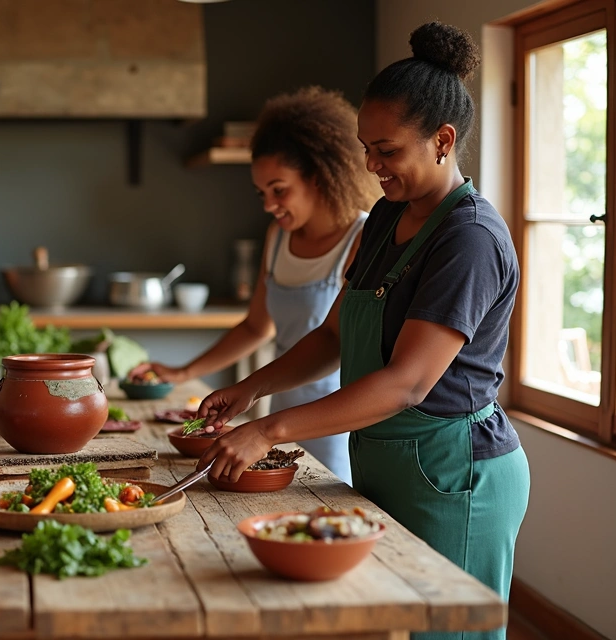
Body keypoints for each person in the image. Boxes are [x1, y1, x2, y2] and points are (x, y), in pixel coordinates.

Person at [197, 23, 529, 637]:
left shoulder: (469, 239)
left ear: (443, 141)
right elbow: (332, 337)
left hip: (452, 476)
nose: (371, 165)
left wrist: (268, 429)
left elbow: (406, 383)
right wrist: (250, 389)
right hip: (383, 460)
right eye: (365, 148)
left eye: (387, 150)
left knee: (446, 631)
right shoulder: (384, 217)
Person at [134, 86, 379, 484]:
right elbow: (255, 327)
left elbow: (335, 342)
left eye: (279, 190)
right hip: (277, 415)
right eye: (262, 193)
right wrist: (182, 373)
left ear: (319, 176)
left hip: (330, 424)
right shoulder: (278, 236)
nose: (268, 205)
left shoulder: (362, 238)